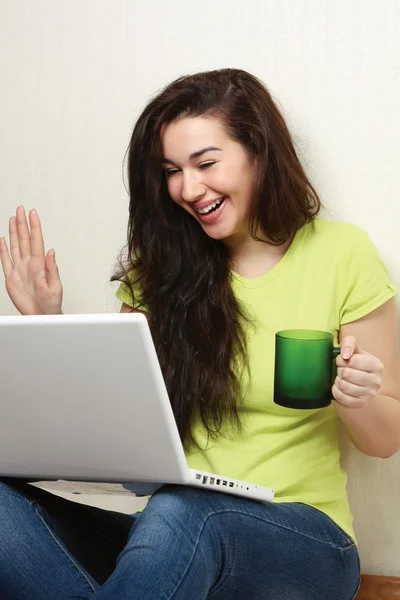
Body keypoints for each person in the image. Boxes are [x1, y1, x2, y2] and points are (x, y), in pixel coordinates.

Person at [0, 68, 399, 600]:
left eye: (206, 163)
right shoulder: (159, 269)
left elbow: (384, 440)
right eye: (171, 170)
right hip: (168, 541)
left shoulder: (342, 253)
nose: (188, 189)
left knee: (184, 512)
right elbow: (117, 421)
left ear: (258, 153)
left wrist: (357, 396)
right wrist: (45, 329)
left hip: (304, 541)